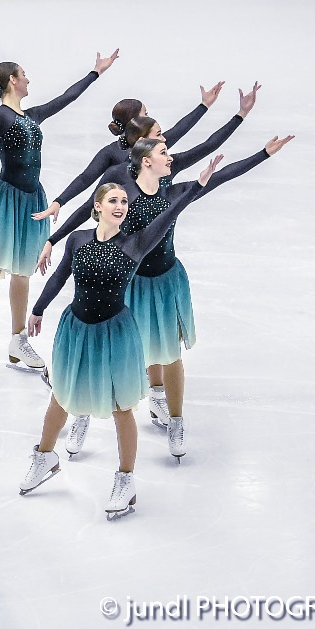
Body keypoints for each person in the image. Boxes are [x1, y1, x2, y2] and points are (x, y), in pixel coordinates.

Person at [62, 133, 292, 460]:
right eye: (164, 152)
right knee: (107, 352)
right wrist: (55, 241)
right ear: (146, 162)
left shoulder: (173, 193)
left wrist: (263, 153)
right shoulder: (122, 198)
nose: (171, 157)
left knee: (169, 353)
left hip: (165, 284)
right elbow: (90, 221)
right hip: (127, 286)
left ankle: (175, 419)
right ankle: (82, 412)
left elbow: (222, 177)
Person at [19, 159, 219, 520]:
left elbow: (170, 213)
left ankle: (126, 481)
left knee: (121, 407)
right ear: (97, 207)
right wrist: (38, 309)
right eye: (113, 201)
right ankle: (45, 456)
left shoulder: (136, 244)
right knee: (61, 395)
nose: (120, 206)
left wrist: (198, 186)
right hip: (76, 328)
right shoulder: (78, 239)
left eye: (124, 202)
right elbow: (60, 275)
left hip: (116, 331)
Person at [0, 51, 120, 388]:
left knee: (22, 274)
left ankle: (17, 341)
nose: (28, 79)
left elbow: (67, 97)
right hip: (5, 201)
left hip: (33, 200)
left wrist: (95, 72)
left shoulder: (33, 115)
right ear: (12, 80)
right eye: (23, 74)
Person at [29, 83, 224, 224]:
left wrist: (204, 106)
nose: (149, 117)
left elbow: (182, 129)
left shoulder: (154, 145)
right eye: (145, 114)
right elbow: (85, 182)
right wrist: (59, 202)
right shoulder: (113, 153)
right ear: (135, 122)